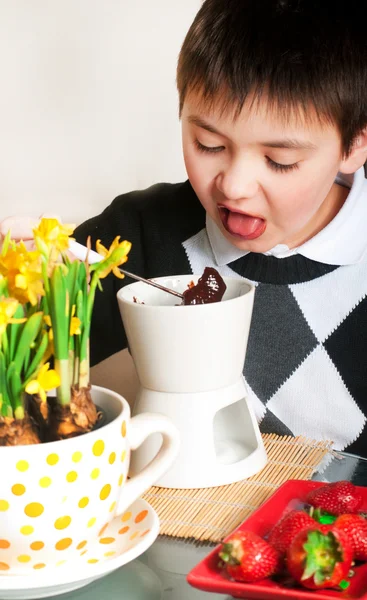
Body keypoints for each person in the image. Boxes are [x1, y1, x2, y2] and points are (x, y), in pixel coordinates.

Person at [2, 0, 367, 456]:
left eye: (280, 161)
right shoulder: (139, 233)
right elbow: (24, 364)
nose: (233, 186)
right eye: (208, 144)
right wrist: (22, 286)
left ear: (355, 144)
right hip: (183, 515)